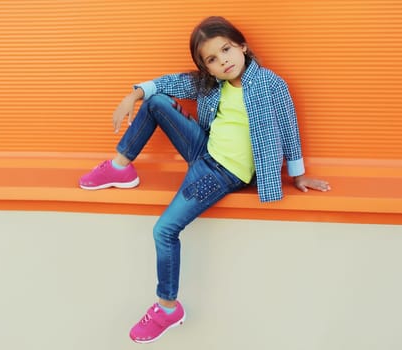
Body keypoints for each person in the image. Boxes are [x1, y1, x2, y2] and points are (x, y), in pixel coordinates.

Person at [79, 16, 331, 343]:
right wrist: (136, 93)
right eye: (212, 59)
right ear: (206, 68)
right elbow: (171, 82)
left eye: (226, 49)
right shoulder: (211, 84)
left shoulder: (271, 85)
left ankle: (168, 307)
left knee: (164, 230)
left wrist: (298, 175)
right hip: (202, 149)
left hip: (220, 174)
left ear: (242, 46)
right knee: (156, 101)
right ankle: (121, 166)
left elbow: (289, 127)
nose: (222, 60)